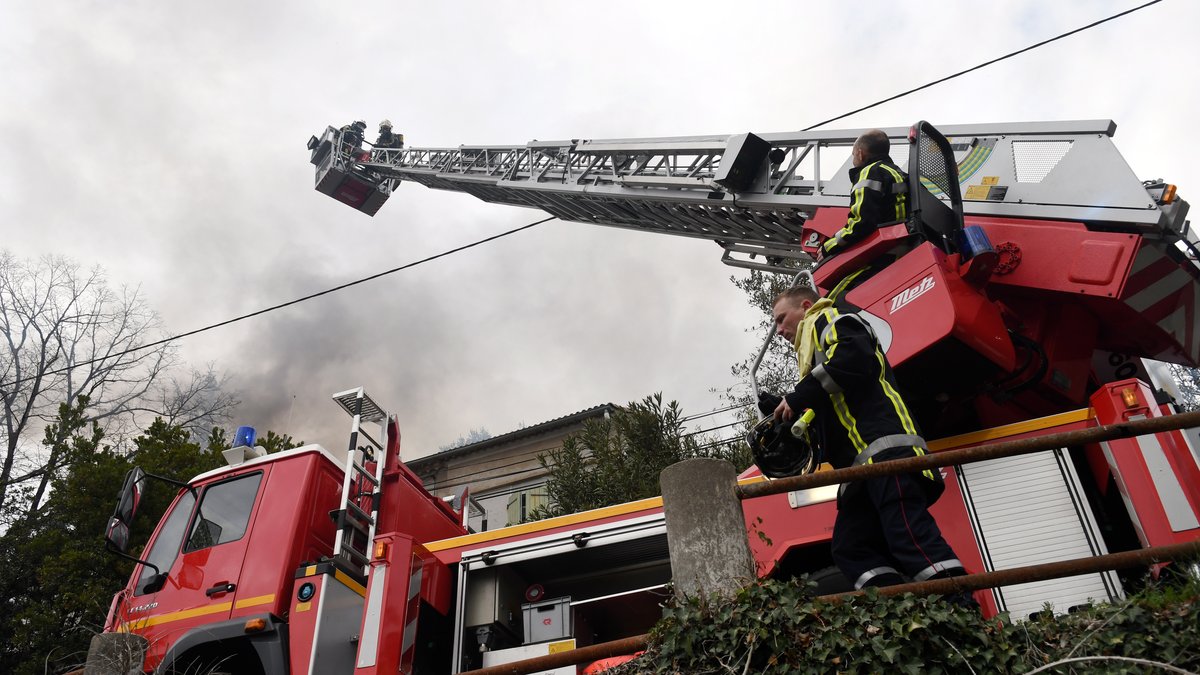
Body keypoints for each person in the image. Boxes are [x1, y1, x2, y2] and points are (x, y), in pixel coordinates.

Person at [764, 285, 971, 598]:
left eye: (782, 319)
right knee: (853, 548)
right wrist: (788, 409)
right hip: (861, 469)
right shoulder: (814, 354)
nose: (779, 330)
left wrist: (799, 395)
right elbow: (831, 401)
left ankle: (962, 611)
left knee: (910, 537)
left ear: (806, 306)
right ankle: (901, 610)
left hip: (887, 453)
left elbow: (853, 359)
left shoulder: (832, 320)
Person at [819, 129, 909, 308]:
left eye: (853, 154)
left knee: (828, 305)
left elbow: (861, 222)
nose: (854, 159)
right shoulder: (898, 173)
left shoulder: (869, 173)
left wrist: (828, 247)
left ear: (860, 153)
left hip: (884, 256)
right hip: (904, 254)